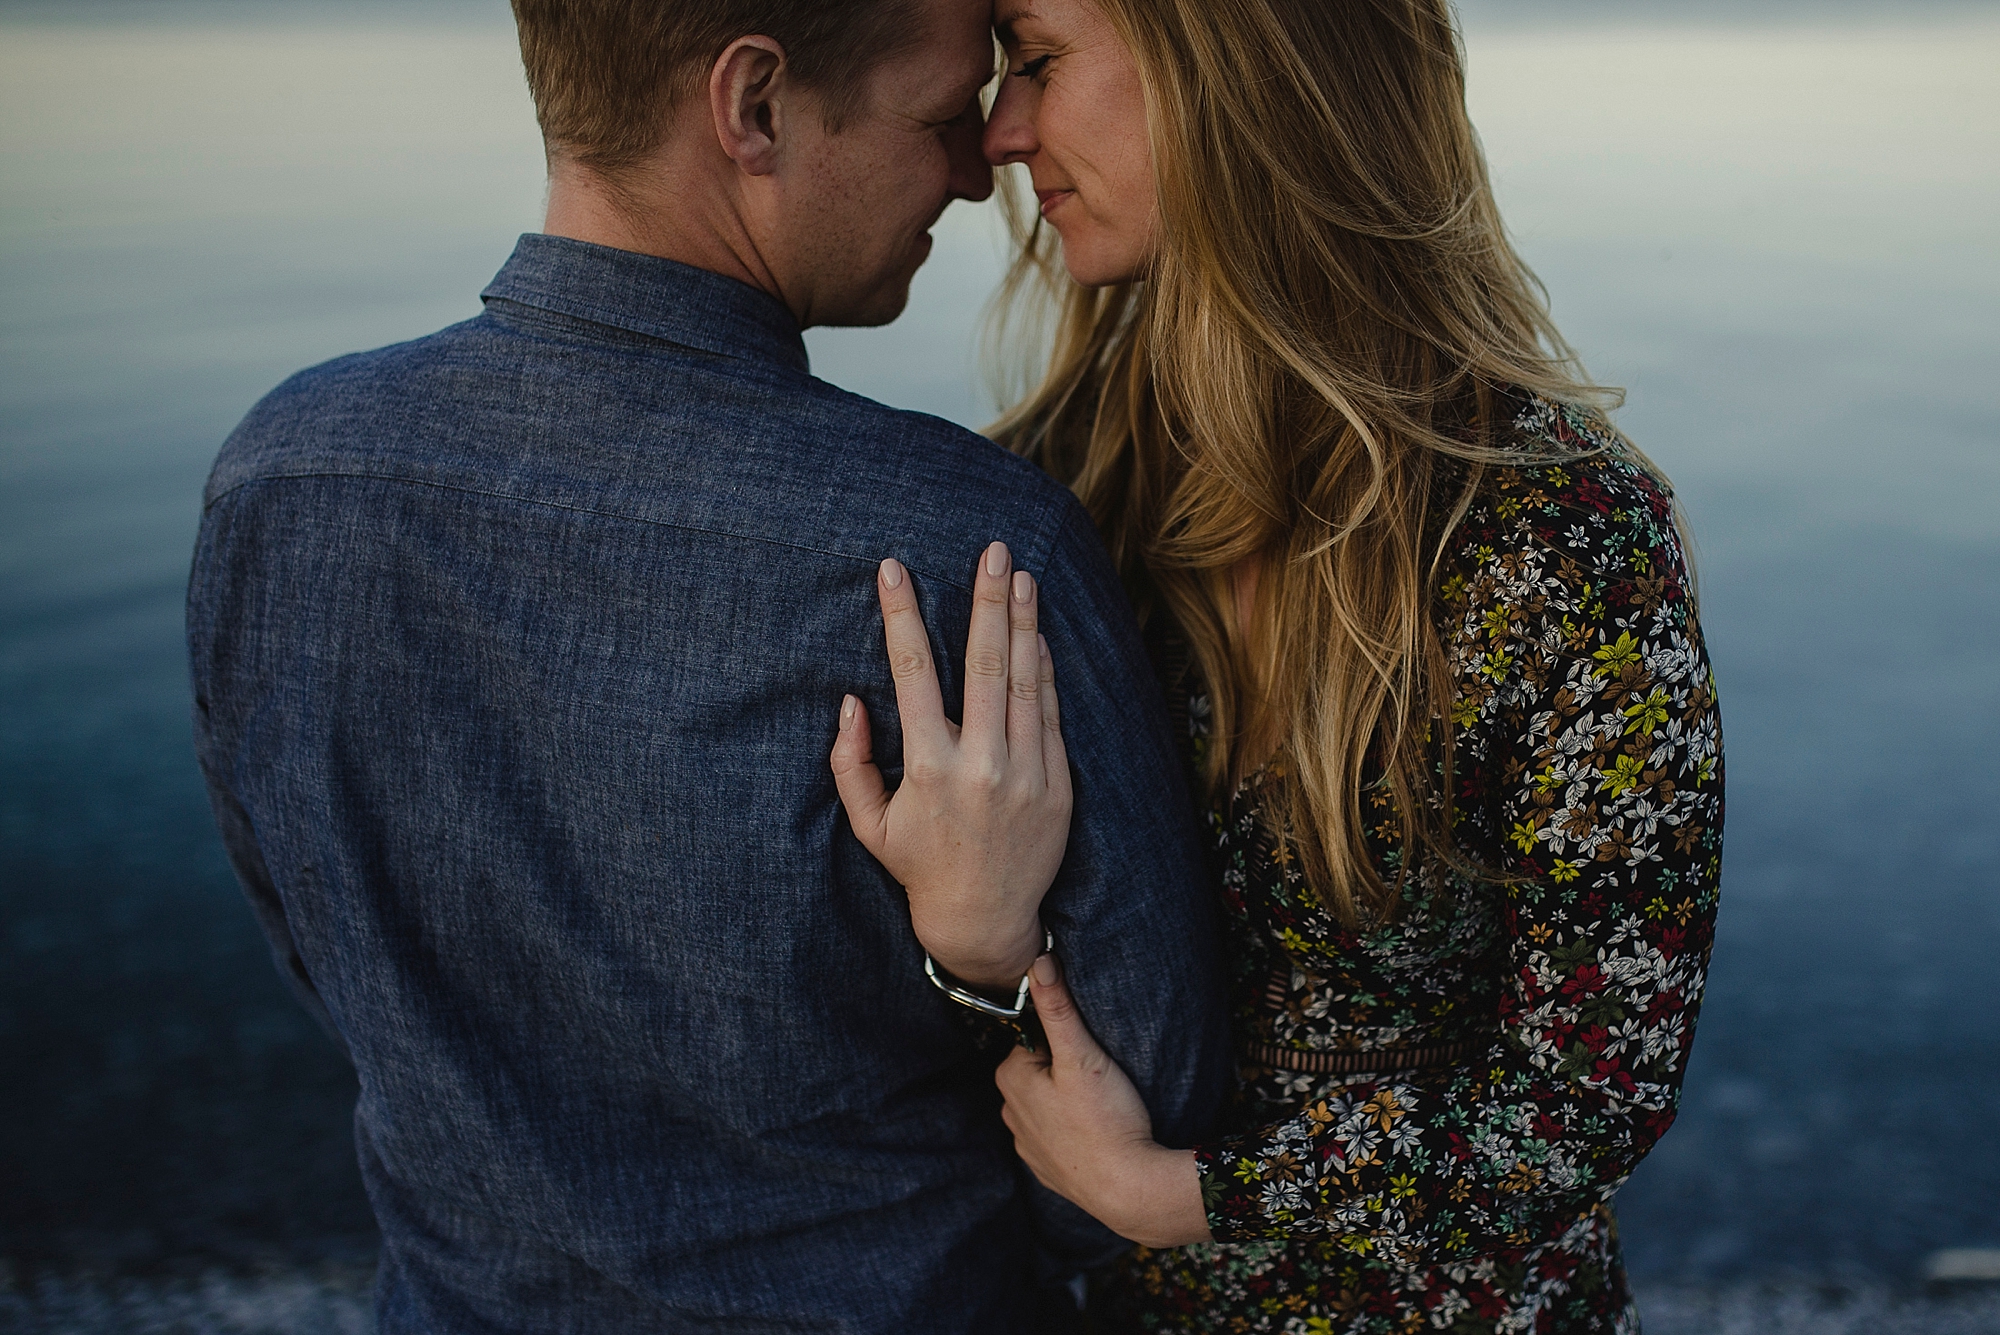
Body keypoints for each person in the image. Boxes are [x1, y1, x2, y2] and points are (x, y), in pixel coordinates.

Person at [184, 0, 1230, 1330]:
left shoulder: (279, 480)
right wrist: (983, 968)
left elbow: (335, 967)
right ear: (753, 108)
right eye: (937, 114)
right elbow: (1139, 1118)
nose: (979, 170)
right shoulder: (966, 551)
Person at [829, 0, 1725, 1329]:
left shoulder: (1559, 542)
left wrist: (1183, 1194)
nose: (1002, 133)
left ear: (1238, 67)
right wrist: (977, 953)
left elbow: (1591, 1091)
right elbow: (959, 1030)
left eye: (1043, 59)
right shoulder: (1050, 506)